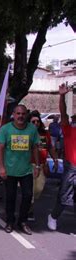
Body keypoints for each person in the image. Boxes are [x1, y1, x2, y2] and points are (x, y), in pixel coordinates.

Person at [0, 104, 40, 235]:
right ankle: (10, 221)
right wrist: (1, 167)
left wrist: (37, 165)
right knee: (11, 197)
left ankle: (23, 221)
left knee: (27, 196)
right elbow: (0, 149)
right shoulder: (5, 129)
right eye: (18, 114)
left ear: (26, 114)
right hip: (9, 171)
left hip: (26, 170)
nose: (20, 116)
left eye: (23, 114)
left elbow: (35, 148)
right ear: (14, 115)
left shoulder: (32, 129)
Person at [48, 84, 75, 231]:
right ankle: (53, 216)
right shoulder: (69, 130)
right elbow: (63, 114)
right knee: (64, 197)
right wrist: (62, 96)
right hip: (71, 168)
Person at [28, 112, 58, 221]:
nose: (36, 123)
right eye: (33, 121)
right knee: (29, 190)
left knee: (38, 189)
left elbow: (50, 148)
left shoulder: (45, 134)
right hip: (28, 165)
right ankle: (29, 210)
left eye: (37, 121)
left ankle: (29, 205)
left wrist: (55, 160)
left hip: (41, 165)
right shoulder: (25, 133)